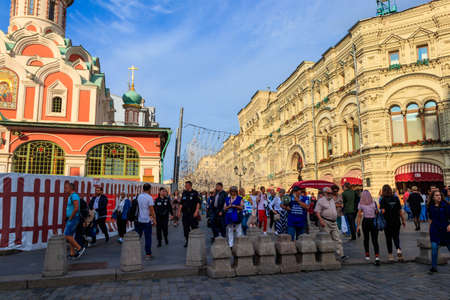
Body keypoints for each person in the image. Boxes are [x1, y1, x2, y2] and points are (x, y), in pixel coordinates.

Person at [315, 187, 347, 261]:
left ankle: (341, 255)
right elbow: (317, 212)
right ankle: (327, 256)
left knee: (337, 239)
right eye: (328, 193)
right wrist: (321, 221)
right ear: (324, 193)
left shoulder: (332, 200)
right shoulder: (320, 201)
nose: (330, 194)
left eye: (331, 193)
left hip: (333, 222)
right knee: (327, 239)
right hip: (325, 222)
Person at [380, 184, 406, 262]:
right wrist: (403, 220)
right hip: (396, 221)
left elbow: (383, 211)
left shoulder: (383, 200)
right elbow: (400, 211)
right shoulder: (396, 198)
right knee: (396, 237)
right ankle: (399, 252)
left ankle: (390, 256)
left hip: (387, 222)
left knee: (388, 238)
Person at [427, 190, 450, 274]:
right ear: (433, 197)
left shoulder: (446, 205)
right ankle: (434, 267)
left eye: (439, 195)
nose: (439, 196)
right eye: (436, 195)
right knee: (434, 248)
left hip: (445, 229)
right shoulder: (430, 206)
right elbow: (430, 218)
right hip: (435, 229)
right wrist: (430, 228)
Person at [356, 190, 380, 265]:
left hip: (365, 221)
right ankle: (377, 256)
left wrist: (358, 226)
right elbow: (377, 212)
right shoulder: (374, 203)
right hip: (373, 222)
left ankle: (367, 255)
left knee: (366, 239)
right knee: (375, 240)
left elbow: (359, 216)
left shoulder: (361, 204)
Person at [135, 183, 157, 260]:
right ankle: (148, 254)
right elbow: (151, 210)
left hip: (139, 219)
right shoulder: (149, 198)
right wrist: (154, 219)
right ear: (149, 189)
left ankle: (134, 251)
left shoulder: (139, 196)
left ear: (143, 189)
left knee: (137, 237)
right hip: (147, 220)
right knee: (148, 238)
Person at [64, 182, 86, 259]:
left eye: (66, 188)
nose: (65, 189)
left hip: (73, 218)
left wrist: (70, 217)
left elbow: (76, 208)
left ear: (71, 188)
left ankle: (79, 248)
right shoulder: (71, 196)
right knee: (70, 236)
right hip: (72, 218)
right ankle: (72, 253)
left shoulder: (74, 196)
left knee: (67, 235)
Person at [178, 181, 201, 247]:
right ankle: (187, 241)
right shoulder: (184, 193)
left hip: (192, 213)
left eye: (186, 185)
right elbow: (181, 203)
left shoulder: (195, 193)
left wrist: (196, 211)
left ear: (190, 185)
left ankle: (195, 241)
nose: (185, 186)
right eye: (185, 185)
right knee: (185, 228)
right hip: (185, 214)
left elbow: (198, 203)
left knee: (194, 227)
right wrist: (179, 212)